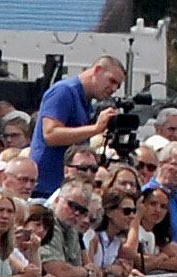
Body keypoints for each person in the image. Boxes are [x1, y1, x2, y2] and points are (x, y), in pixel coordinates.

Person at [29, 55, 125, 196]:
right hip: (46, 186)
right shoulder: (64, 91)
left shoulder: (85, 101)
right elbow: (50, 135)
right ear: (97, 70)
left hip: (66, 186)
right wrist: (95, 129)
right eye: (112, 81)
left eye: (118, 85)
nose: (114, 88)